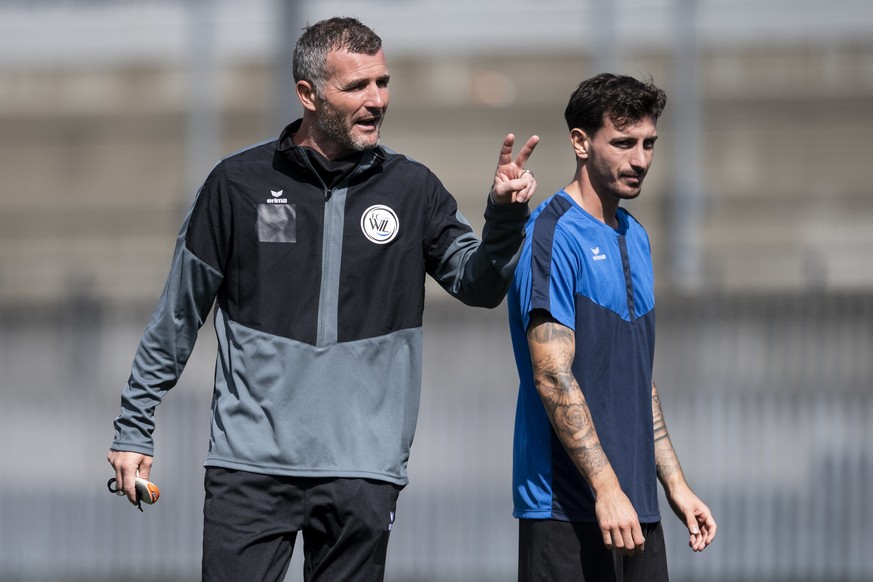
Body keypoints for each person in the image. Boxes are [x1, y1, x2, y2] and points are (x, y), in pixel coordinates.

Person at [107, 16, 539, 582]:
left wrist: (505, 218)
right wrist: (134, 426)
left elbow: (479, 286)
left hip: (363, 468)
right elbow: (177, 318)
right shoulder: (236, 184)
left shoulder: (414, 189)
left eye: (382, 82)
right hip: (249, 465)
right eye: (356, 86)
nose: (377, 99)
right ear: (308, 94)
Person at [506, 73, 716, 581]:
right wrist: (605, 488)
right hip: (569, 511)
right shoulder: (552, 235)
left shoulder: (636, 236)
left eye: (648, 144)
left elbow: (637, 380)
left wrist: (675, 485)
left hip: (636, 509)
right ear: (580, 142)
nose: (640, 159)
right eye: (623, 143)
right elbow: (552, 376)